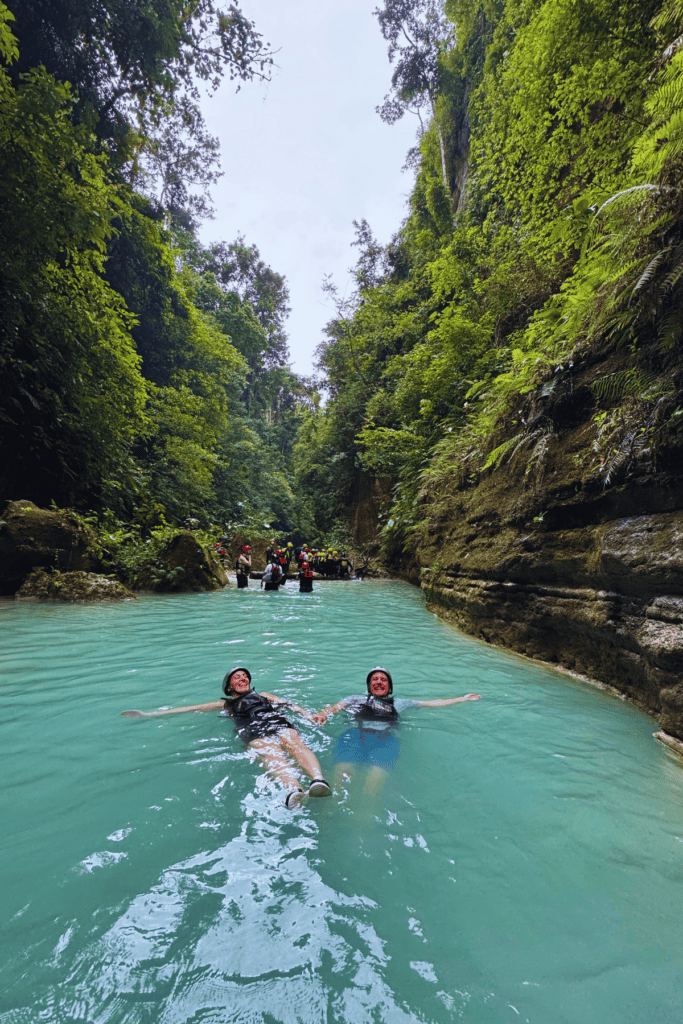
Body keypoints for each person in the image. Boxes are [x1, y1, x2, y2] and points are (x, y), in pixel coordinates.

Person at [122, 668, 332, 808]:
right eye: (237, 678)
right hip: (251, 727)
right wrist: (150, 715)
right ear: (229, 687)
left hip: (274, 719)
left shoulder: (264, 695)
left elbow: (288, 704)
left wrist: (307, 714)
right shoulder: (226, 704)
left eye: (245, 677)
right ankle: (294, 790)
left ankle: (318, 781)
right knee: (271, 754)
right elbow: (191, 708)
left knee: (294, 744)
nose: (243, 679)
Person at [313, 668, 481, 797]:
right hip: (356, 736)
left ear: (389, 687)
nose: (379, 682)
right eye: (375, 679)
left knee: (372, 788)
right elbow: (335, 707)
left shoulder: (401, 702)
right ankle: (330, 811)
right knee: (340, 778)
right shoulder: (355, 698)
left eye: (383, 680)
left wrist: (462, 698)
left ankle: (362, 824)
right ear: (369, 686)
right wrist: (323, 714)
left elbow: (430, 703)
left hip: (385, 741)